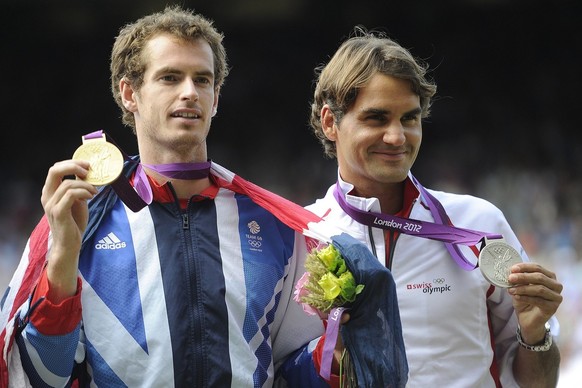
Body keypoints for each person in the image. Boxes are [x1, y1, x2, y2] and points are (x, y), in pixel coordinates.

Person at [0, 6, 352, 387]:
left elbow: (292, 371)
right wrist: (64, 256)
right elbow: (42, 378)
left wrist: (335, 352)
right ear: (129, 93)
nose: (189, 92)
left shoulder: (275, 226)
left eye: (202, 80)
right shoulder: (81, 223)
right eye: (170, 77)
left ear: (216, 98)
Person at [306, 26, 563, 387]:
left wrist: (535, 336)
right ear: (331, 122)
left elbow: (539, 383)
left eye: (409, 118)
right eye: (376, 118)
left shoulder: (479, 224)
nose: (397, 137)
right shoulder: (300, 236)